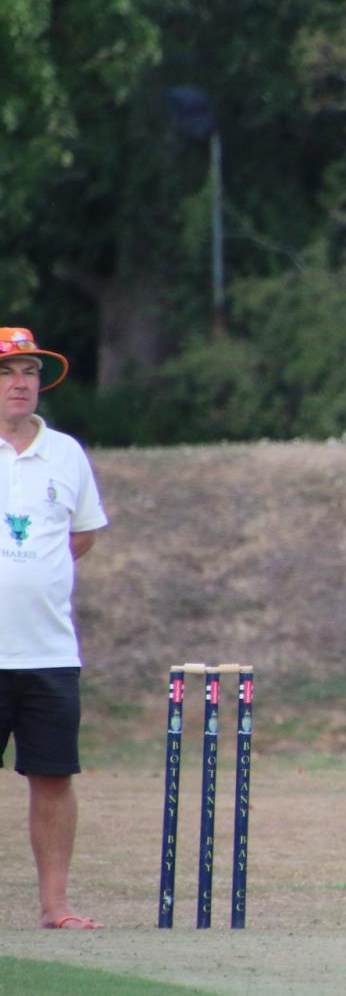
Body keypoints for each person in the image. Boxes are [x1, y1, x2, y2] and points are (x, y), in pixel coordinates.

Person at [0, 327, 109, 930]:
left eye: (29, 373)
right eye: (7, 373)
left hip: (48, 649)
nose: (20, 384)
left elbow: (82, 535)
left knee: (52, 776)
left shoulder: (66, 453)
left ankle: (54, 904)